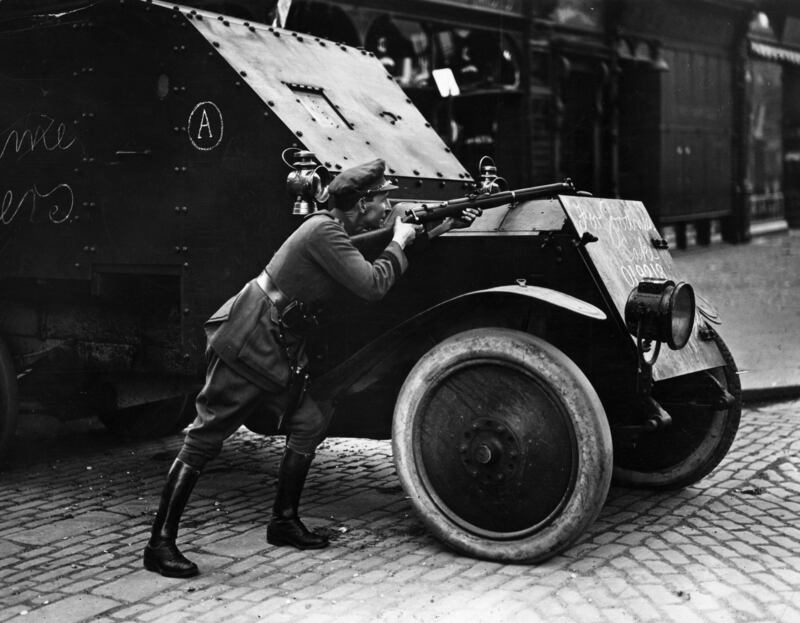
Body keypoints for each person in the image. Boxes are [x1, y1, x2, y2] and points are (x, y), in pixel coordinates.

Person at [143, 159, 418, 578]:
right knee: (205, 438)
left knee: (310, 418)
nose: (387, 206)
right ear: (362, 203)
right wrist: (400, 241)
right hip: (248, 340)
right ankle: (159, 544)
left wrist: (428, 229)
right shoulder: (324, 231)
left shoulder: (333, 228)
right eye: (383, 200)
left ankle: (283, 521)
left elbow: (372, 242)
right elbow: (372, 284)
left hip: (275, 341)